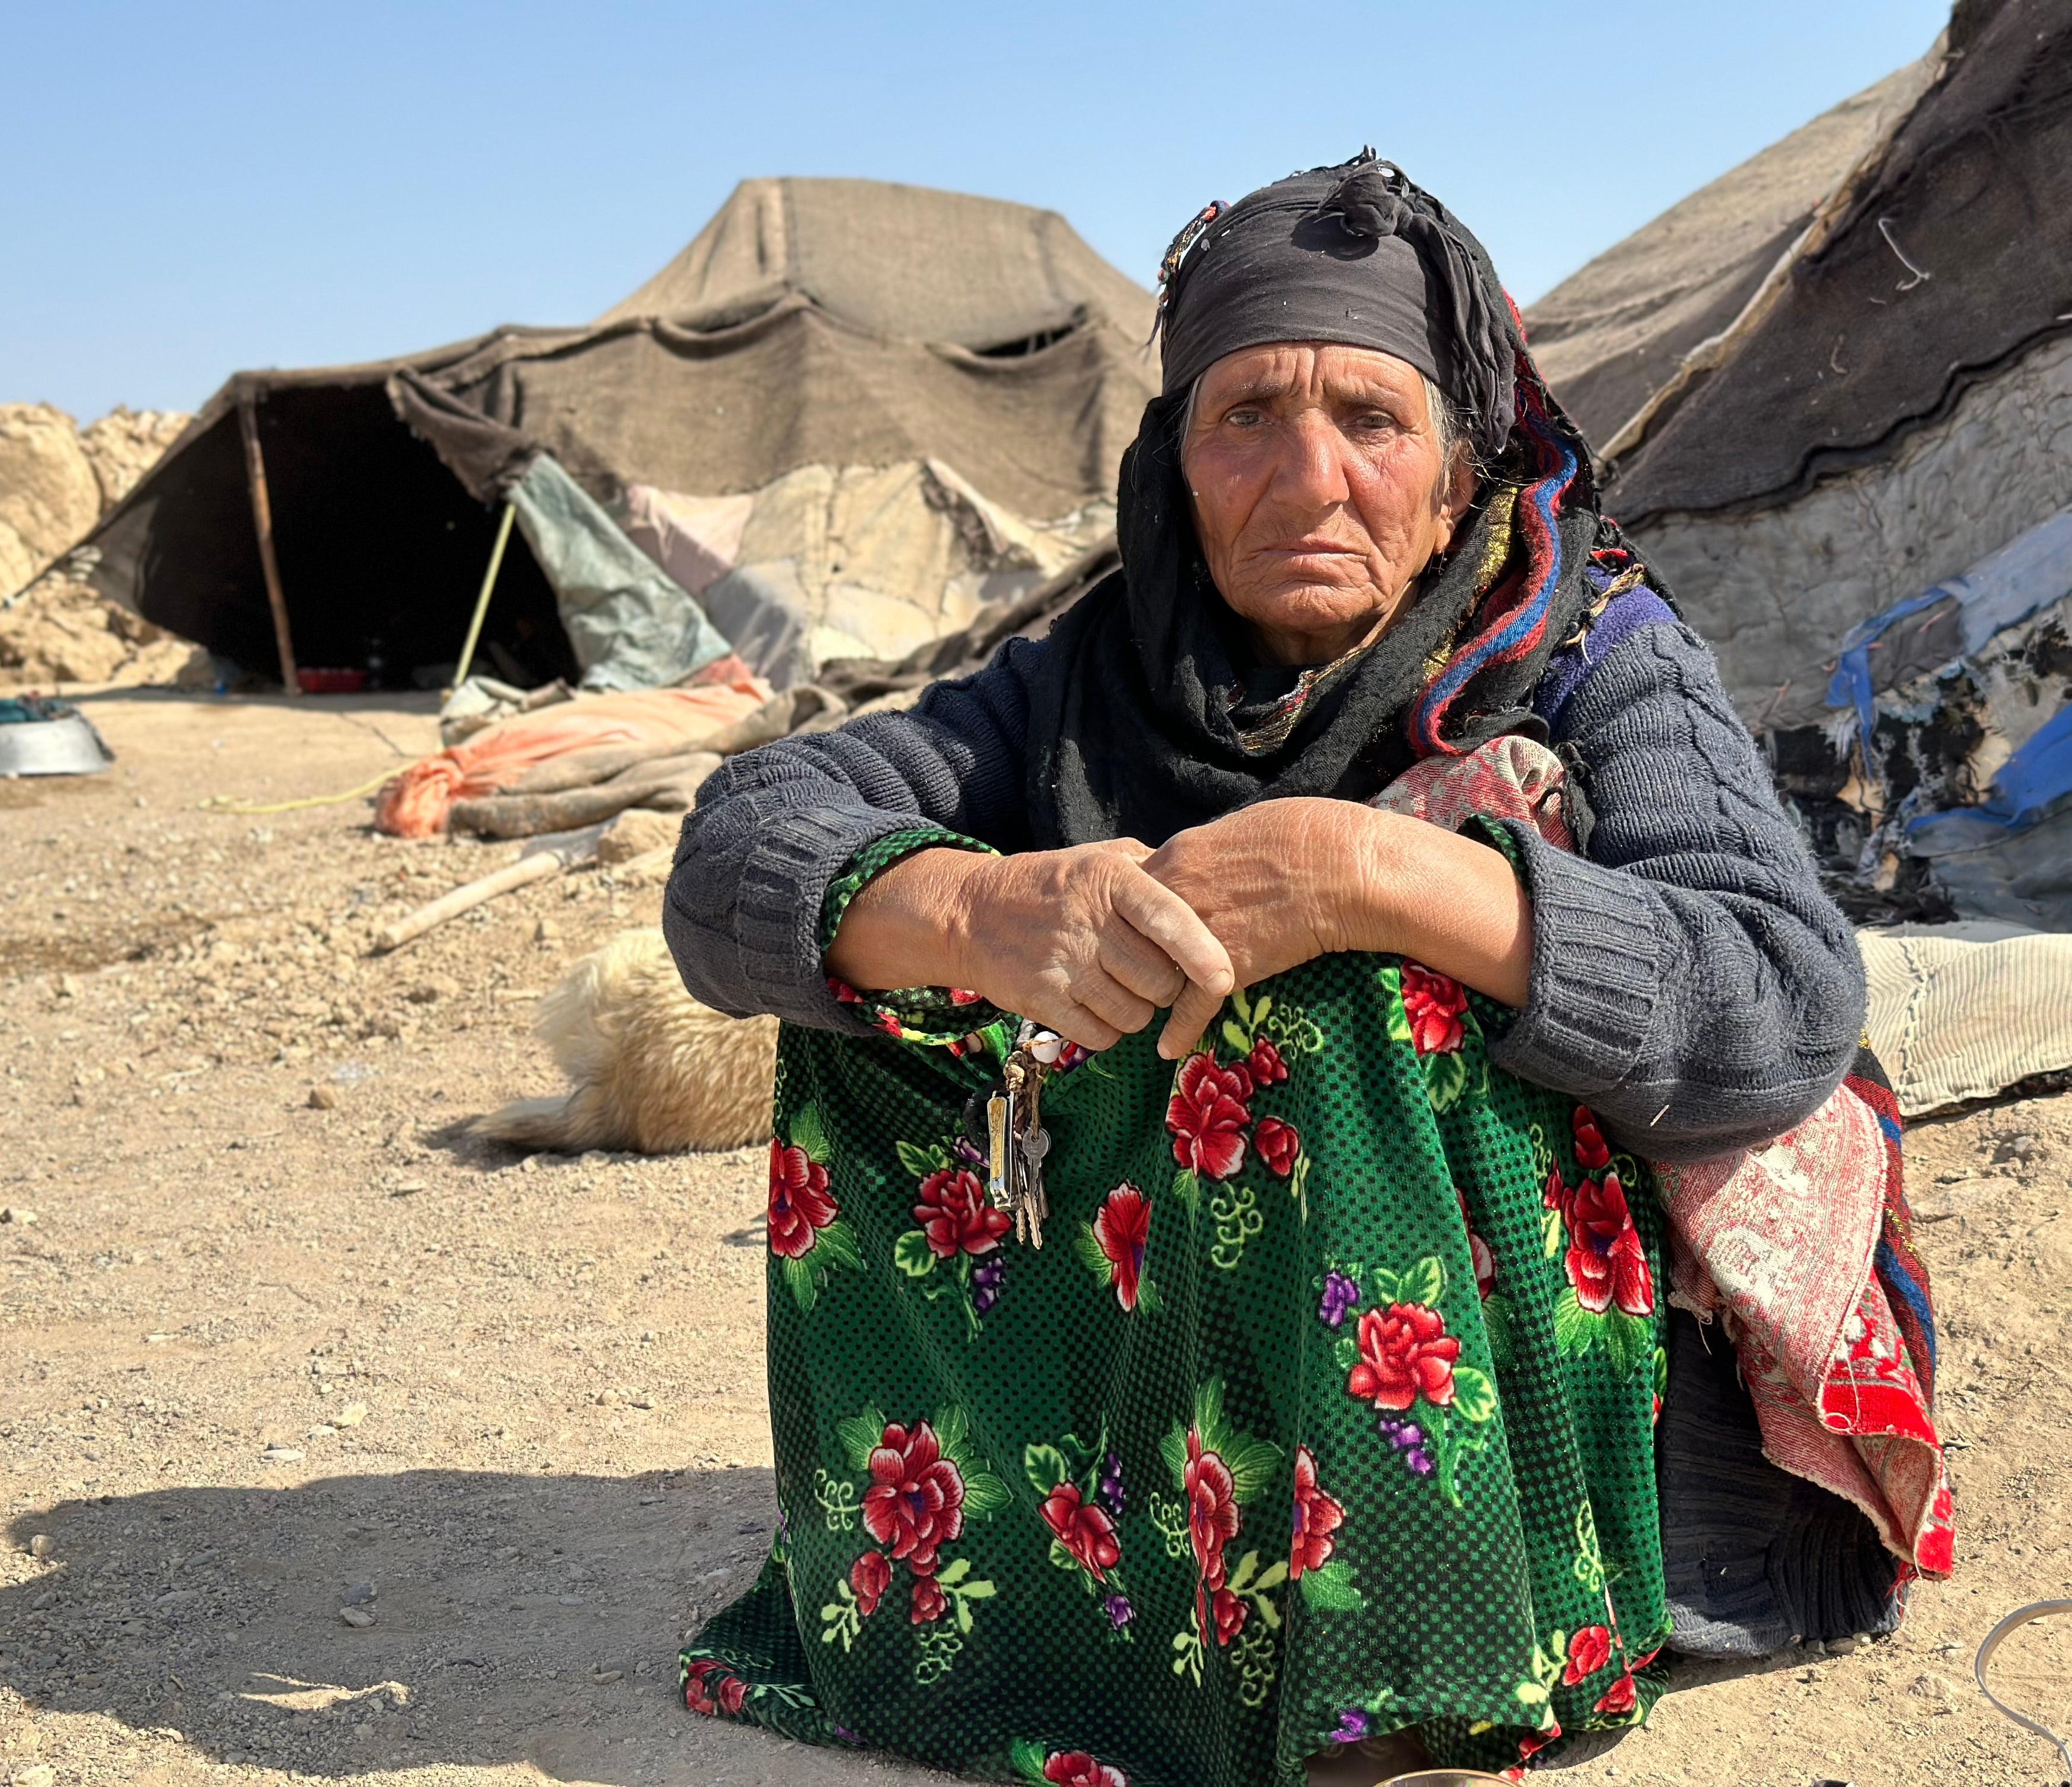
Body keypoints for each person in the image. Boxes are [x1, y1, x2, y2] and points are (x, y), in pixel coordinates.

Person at [660, 156, 1878, 1785]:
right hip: (1184, 1418)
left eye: (1372, 421)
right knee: (872, 952)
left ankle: (1427, 1650)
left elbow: (1779, 1000)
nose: (1310, 477)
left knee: (1347, 984)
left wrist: (1371, 870)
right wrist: (977, 916)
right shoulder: (1090, 677)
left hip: (1567, 1416)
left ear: (1461, 471)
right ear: (1172, 466)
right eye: (1245, 417)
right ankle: (1058, 1589)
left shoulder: (1591, 652)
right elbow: (739, 852)